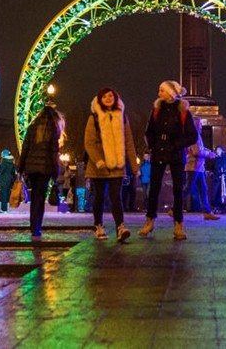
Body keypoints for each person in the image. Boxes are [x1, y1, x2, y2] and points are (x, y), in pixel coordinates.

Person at [139, 80, 197, 240]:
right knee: (154, 188)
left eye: (162, 90)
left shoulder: (183, 111)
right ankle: (150, 220)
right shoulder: (157, 110)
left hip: (176, 153)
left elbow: (193, 136)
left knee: (178, 189)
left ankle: (178, 223)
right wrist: (153, 146)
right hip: (158, 151)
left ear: (171, 92)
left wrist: (176, 145)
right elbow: (149, 131)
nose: (159, 93)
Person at [84, 88, 139, 242]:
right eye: (105, 96)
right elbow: (89, 142)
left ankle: (120, 227)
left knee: (116, 197)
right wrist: (98, 160)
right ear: (99, 99)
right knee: (99, 197)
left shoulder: (122, 118)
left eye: (111, 96)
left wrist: (135, 167)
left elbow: (129, 143)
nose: (108, 98)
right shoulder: (94, 118)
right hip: (98, 166)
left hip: (117, 165)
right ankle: (98, 225)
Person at [18, 104, 65, 239]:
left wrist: (20, 169)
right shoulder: (53, 130)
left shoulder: (32, 129)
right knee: (40, 196)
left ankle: (33, 225)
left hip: (31, 167)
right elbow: (54, 153)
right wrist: (56, 173)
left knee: (35, 198)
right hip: (45, 168)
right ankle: (37, 226)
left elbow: (25, 149)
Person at [184, 117, 218, 220]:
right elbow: (197, 152)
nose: (201, 126)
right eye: (199, 124)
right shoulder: (194, 136)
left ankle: (207, 212)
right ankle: (174, 208)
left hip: (198, 168)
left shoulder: (196, 135)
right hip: (193, 167)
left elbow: (200, 149)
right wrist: (210, 154)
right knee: (188, 188)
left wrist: (209, 152)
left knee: (203, 189)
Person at [212, 146, 226, 213]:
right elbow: (212, 167)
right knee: (215, 193)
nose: (217, 151)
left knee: (224, 193)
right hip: (217, 178)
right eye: (216, 150)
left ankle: (224, 208)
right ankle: (216, 207)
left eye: (218, 150)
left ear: (222, 150)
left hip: (224, 178)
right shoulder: (215, 158)